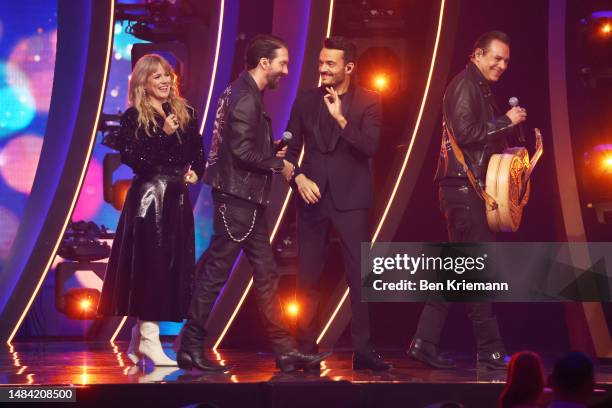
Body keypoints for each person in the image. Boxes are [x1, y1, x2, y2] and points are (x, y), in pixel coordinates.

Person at [177, 34, 330, 372]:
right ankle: (189, 346)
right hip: (238, 200)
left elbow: (242, 147)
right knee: (218, 273)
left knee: (265, 275)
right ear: (265, 63)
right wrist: (281, 163)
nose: (286, 71)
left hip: (243, 198)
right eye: (282, 63)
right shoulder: (245, 97)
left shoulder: (242, 92)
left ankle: (285, 351)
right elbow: (242, 153)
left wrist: (268, 148)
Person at [407, 30, 527, 370]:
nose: (502, 65)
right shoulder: (464, 86)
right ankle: (489, 350)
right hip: (463, 190)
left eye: (506, 60)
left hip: (465, 188)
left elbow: (481, 138)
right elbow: (467, 134)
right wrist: (506, 120)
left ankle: (423, 342)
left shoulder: (479, 88)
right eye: (496, 58)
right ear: (477, 54)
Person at [284, 36, 391, 371]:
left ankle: (363, 349)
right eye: (320, 62)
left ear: (349, 67)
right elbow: (287, 152)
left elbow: (370, 147)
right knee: (308, 276)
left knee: (359, 275)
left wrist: (342, 118)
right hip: (312, 196)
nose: (323, 69)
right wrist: (297, 178)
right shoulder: (305, 101)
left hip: (352, 199)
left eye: (330, 64)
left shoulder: (369, 101)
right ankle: (305, 348)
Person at [98, 54, 204, 366]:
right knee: (152, 267)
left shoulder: (184, 112)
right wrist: (163, 135)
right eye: (156, 76)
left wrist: (196, 170)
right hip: (149, 200)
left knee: (171, 266)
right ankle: (149, 338)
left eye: (167, 75)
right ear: (144, 83)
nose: (164, 81)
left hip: (176, 197)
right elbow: (135, 159)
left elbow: (197, 149)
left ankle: (139, 338)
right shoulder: (134, 118)